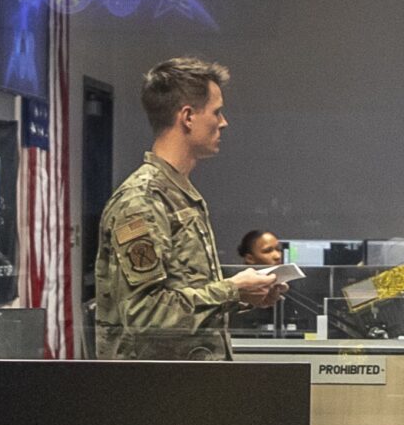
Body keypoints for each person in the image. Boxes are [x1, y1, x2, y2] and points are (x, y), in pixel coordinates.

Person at [94, 57, 283, 359]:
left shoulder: (177, 194)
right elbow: (144, 315)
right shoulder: (142, 200)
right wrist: (231, 290)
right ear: (188, 117)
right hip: (159, 383)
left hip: (188, 378)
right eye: (216, 112)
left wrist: (245, 295)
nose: (223, 122)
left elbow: (184, 293)